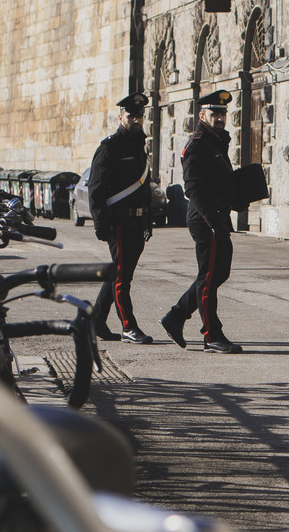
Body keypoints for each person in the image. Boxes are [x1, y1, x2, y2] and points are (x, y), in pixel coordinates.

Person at [160, 89, 242, 353]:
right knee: (208, 277)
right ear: (202, 115)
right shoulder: (198, 144)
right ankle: (211, 335)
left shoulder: (216, 141)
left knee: (218, 273)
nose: (219, 118)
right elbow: (192, 189)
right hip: (206, 220)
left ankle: (175, 316)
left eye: (222, 113)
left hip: (218, 217)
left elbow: (218, 182)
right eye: (214, 113)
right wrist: (211, 220)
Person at [85, 92, 155, 344]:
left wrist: (148, 218)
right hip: (118, 222)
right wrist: (100, 222)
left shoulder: (139, 145)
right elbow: (96, 188)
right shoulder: (109, 147)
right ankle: (128, 326)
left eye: (140, 116)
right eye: (131, 116)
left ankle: (96, 321)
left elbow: (144, 186)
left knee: (119, 273)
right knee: (122, 277)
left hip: (137, 221)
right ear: (120, 117)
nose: (136, 119)